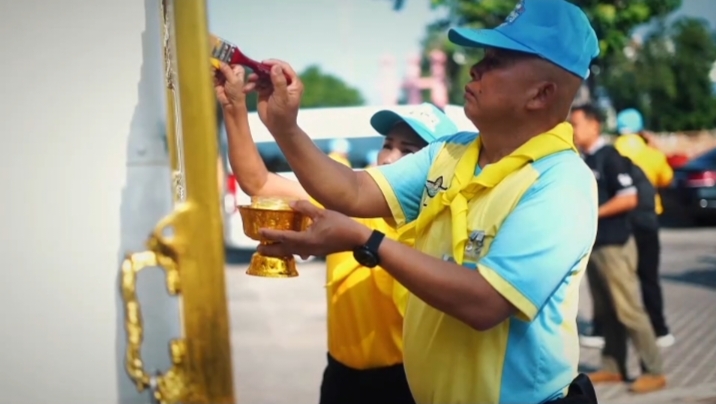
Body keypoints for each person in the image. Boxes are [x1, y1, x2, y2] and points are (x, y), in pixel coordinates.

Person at [243, 1, 604, 402]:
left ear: (541, 93)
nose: (475, 69)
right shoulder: (452, 152)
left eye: (496, 61)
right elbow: (353, 191)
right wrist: (285, 127)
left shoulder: (560, 182)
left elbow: (485, 302)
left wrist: (366, 241)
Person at [214, 62, 460, 404]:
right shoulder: (347, 204)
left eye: (408, 152)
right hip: (341, 379)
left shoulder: (441, 228)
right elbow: (257, 181)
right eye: (388, 145)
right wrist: (234, 108)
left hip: (406, 384)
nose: (389, 159)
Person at [570, 104, 667, 393]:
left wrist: (593, 213)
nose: (572, 130)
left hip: (615, 245)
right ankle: (613, 366)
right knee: (606, 310)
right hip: (596, 245)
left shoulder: (610, 157)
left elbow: (629, 197)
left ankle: (654, 369)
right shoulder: (585, 159)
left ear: (594, 125)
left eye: (576, 124)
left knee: (628, 309)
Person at [613, 108, 675, 348]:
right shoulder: (651, 153)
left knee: (618, 278)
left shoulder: (612, 151)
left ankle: (608, 331)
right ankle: (660, 330)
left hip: (618, 219)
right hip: (647, 219)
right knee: (649, 277)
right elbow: (667, 179)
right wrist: (655, 147)